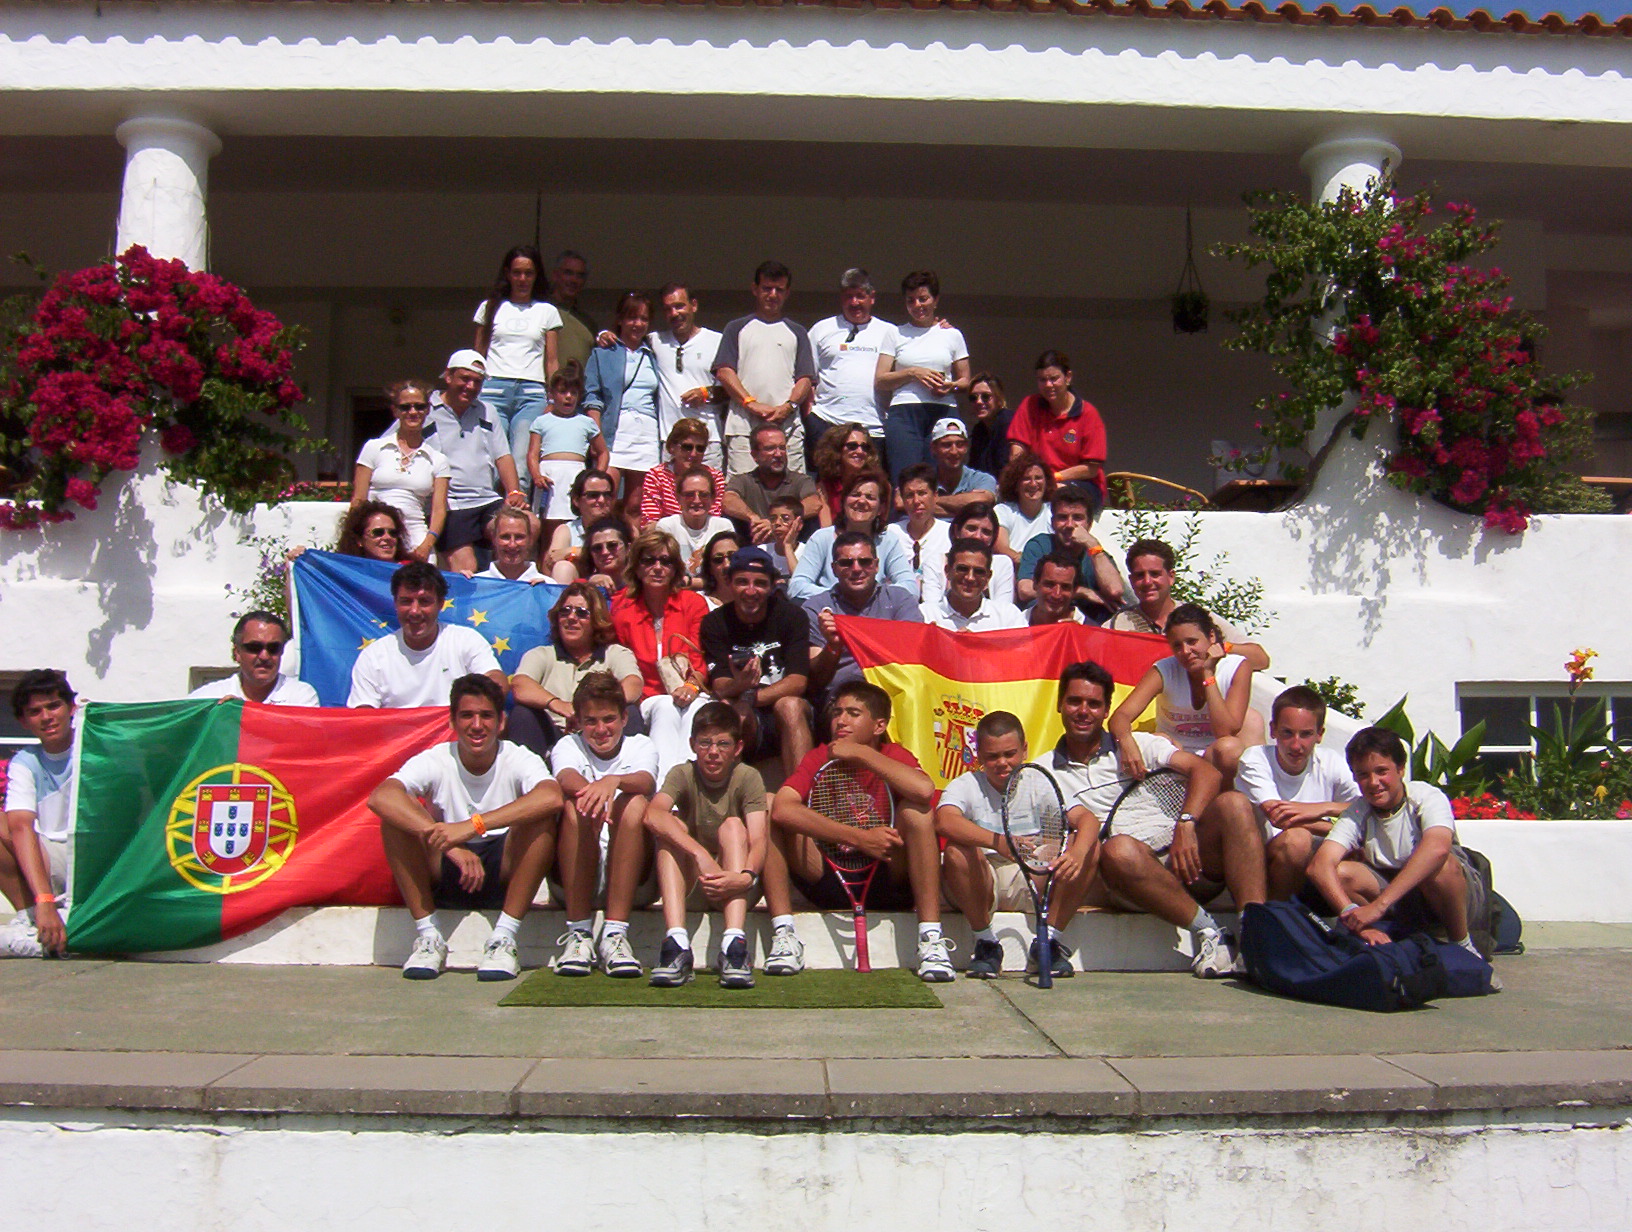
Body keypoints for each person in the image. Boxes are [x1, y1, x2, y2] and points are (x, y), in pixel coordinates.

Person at [1050, 660, 1266, 979]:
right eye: (1074, 701)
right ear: (1059, 704)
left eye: (1093, 704)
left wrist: (1186, 825)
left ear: (1107, 710)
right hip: (1132, 878)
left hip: (1187, 862)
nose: (1083, 711)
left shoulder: (1140, 744)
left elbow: (1206, 772)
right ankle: (1212, 932)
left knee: (1233, 803)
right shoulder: (1045, 772)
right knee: (1119, 849)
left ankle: (1256, 936)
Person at [369, 674, 563, 981]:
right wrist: (451, 846)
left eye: (486, 716)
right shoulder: (436, 758)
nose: (476, 725)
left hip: (503, 867)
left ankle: (504, 937)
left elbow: (551, 797)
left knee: (541, 818)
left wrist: (473, 826)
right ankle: (429, 937)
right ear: (452, 721)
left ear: (501, 722)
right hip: (445, 866)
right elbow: (381, 796)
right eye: (467, 716)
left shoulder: (517, 756)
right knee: (394, 821)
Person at [767, 682, 952, 982]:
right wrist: (860, 838)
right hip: (829, 874)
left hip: (887, 876)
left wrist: (861, 754)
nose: (841, 721)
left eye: (853, 714)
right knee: (767, 804)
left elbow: (923, 789)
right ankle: (784, 935)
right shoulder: (820, 756)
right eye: (837, 712)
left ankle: (931, 939)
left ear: (879, 725)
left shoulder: (894, 754)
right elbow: (782, 809)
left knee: (917, 813)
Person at [1307, 727, 1493, 963]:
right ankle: (1388, 939)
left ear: (1401, 769)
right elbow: (1320, 866)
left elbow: (1437, 848)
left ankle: (1462, 945)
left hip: (1455, 899)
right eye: (1363, 775)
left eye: (1381, 771)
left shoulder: (1426, 797)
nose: (1373, 783)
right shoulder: (1358, 811)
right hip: (1399, 901)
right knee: (1343, 873)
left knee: (1441, 866)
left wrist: (1379, 906)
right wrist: (1350, 913)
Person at [937, 711, 1099, 978]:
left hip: (1030, 877)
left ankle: (1048, 943)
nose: (1002, 763)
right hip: (983, 878)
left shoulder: (1040, 781)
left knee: (1088, 846)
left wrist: (1078, 854)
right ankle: (986, 944)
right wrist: (999, 842)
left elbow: (1087, 819)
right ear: (979, 755)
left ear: (1024, 750)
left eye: (1009, 754)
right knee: (956, 851)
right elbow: (944, 820)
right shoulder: (966, 784)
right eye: (992, 756)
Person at [643, 702, 771, 988]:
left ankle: (734, 945)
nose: (713, 752)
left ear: (737, 748)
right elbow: (652, 814)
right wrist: (700, 854)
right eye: (705, 743)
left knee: (733, 826)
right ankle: (676, 942)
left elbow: (759, 839)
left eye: (723, 744)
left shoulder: (748, 776)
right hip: (693, 882)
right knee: (671, 827)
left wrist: (746, 876)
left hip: (736, 884)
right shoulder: (682, 773)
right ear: (692, 744)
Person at [549, 672, 660, 978]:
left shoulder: (641, 745)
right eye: (591, 721)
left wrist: (613, 781)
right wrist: (595, 793)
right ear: (578, 722)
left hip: (633, 881)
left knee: (634, 804)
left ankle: (615, 934)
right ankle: (578, 933)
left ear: (624, 718)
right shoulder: (568, 745)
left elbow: (646, 780)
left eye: (609, 719)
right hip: (574, 878)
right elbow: (565, 777)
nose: (601, 730)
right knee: (577, 807)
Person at [1110, 603, 1259, 786]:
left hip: (1213, 757)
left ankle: (1221, 796)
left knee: (1230, 747)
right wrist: (1126, 741)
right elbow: (1121, 716)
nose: (1185, 652)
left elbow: (1225, 731)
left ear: (1211, 637)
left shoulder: (1237, 667)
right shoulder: (1164, 670)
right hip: (1175, 756)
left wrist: (1208, 675)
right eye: (1177, 646)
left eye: (1192, 642)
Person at [701, 547, 815, 780]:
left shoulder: (792, 616)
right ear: (729, 582)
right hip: (746, 714)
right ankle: (726, 792)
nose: (751, 591)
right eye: (742, 582)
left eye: (760, 583)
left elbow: (797, 682)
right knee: (732, 712)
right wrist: (740, 685)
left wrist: (751, 696)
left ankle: (802, 795)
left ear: (772, 585)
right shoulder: (715, 623)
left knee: (789, 705)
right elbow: (721, 686)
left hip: (787, 711)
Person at [1238, 686, 1361, 901]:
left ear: (1319, 734)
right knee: (1298, 839)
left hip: (1316, 866)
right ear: (1273, 730)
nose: (1296, 745)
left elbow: (1366, 810)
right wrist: (1339, 829)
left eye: (1305, 734)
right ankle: (1275, 913)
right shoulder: (1255, 759)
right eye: (1287, 733)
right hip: (1263, 864)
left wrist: (1324, 808)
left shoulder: (1331, 762)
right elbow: (1279, 817)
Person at [611, 528, 711, 777]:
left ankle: (688, 785)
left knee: (696, 711)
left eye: (665, 561)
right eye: (649, 561)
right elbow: (619, 662)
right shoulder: (622, 608)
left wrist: (690, 687)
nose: (657, 568)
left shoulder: (693, 604)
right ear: (637, 567)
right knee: (666, 707)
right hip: (647, 698)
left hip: (691, 691)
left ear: (675, 568)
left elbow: (698, 660)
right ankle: (665, 786)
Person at [348, 562, 506, 708]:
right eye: (406, 601)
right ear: (395, 603)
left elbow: (497, 681)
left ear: (440, 604)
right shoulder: (373, 656)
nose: (415, 611)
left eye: (424, 601)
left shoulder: (466, 640)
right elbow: (363, 715)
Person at [424, 350, 527, 574]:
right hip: (451, 505)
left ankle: (508, 585)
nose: (470, 386)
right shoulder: (424, 409)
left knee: (528, 524)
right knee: (467, 569)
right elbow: (395, 442)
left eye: (477, 382)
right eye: (465, 378)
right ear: (448, 376)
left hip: (487, 500)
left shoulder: (487, 411)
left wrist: (514, 492)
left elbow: (503, 455)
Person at [509, 584, 642, 756]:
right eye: (565, 611)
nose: (571, 618)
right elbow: (520, 685)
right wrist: (557, 704)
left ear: (597, 620)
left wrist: (586, 711)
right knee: (522, 714)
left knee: (630, 712)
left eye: (581, 613)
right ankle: (532, 772)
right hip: (554, 734)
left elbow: (634, 684)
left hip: (599, 732)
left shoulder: (615, 653)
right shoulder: (541, 654)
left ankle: (628, 769)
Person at [713, 260, 816, 477]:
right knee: (741, 488)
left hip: (787, 427)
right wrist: (751, 403)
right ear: (755, 289)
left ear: (787, 292)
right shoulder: (736, 328)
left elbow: (805, 378)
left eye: (779, 289)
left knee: (791, 489)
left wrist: (788, 406)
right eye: (767, 288)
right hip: (744, 426)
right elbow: (724, 371)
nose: (773, 295)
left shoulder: (797, 332)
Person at [1, 670, 77, 959]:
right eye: (35, 712)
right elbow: (20, 826)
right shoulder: (26, 761)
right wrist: (44, 901)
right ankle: (32, 916)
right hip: (50, 859)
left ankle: (53, 931)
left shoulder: (94, 746)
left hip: (95, 856)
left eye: (53, 706)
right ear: (23, 721)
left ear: (71, 708)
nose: (46, 717)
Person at [472, 244, 562, 488]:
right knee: (492, 464)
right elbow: (477, 355)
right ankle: (493, 512)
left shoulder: (547, 311)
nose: (522, 279)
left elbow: (552, 360)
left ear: (536, 275)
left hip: (531, 394)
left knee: (522, 466)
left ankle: (518, 511)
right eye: (517, 273)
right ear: (508, 274)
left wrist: (552, 398)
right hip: (492, 390)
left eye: (528, 273)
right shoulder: (489, 308)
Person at [1109, 539, 1271, 671]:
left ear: (1171, 577)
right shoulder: (1117, 624)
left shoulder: (1196, 617)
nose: (1147, 581)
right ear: (1131, 581)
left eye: (1155, 574)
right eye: (1140, 575)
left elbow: (1260, 659)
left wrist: (1217, 647)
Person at [801, 531, 924, 698]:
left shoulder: (900, 600)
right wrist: (832, 647)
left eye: (865, 562)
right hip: (837, 699)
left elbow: (914, 657)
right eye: (846, 563)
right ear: (834, 569)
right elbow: (815, 680)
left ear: (876, 565)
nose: (856, 569)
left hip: (893, 695)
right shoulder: (815, 608)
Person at [876, 271, 971, 479]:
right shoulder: (895, 333)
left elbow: (965, 382)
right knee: (905, 476)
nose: (917, 305)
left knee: (941, 476)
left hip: (943, 410)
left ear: (935, 300)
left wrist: (951, 386)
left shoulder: (952, 334)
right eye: (910, 300)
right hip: (905, 412)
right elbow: (881, 380)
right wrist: (912, 373)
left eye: (923, 299)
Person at [351, 378, 449, 562]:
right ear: (395, 411)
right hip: (378, 531)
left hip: (415, 533)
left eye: (419, 406)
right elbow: (358, 500)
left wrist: (426, 546)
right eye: (405, 407)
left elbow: (439, 510)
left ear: (428, 410)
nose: (413, 412)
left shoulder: (438, 459)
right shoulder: (373, 447)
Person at [584, 291, 662, 520]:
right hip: (614, 431)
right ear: (620, 319)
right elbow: (592, 396)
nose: (638, 324)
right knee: (605, 498)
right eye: (632, 317)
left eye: (644, 319)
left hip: (645, 433)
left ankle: (632, 543)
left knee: (636, 505)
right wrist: (596, 436)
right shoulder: (602, 352)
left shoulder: (652, 352)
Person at [1006, 350, 1108, 517]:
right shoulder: (1029, 405)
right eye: (1042, 380)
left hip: (1081, 484)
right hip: (1038, 481)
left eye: (1054, 379)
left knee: (1060, 494)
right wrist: (1023, 474)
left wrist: (1053, 478)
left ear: (1068, 377)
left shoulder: (1088, 414)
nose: (1048, 385)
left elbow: (1091, 469)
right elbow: (1017, 450)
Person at [807, 268, 896, 459]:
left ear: (872, 298)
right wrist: (810, 415)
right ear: (842, 298)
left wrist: (940, 327)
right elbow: (807, 377)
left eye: (860, 296)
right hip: (827, 424)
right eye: (849, 296)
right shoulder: (821, 329)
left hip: (873, 427)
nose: (854, 302)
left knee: (870, 479)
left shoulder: (890, 332)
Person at [787, 471, 916, 601]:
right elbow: (797, 586)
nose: (861, 501)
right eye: (855, 495)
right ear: (844, 502)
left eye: (870, 497)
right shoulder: (822, 538)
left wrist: (872, 599)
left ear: (880, 509)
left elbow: (910, 587)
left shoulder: (888, 540)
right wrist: (841, 597)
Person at [648, 281, 726, 470]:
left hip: (707, 443)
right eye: (668, 309)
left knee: (706, 489)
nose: (674, 313)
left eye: (679, 306)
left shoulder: (717, 341)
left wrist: (705, 393)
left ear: (694, 305)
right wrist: (604, 335)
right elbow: (627, 338)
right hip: (671, 442)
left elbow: (732, 390)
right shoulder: (654, 341)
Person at [1015, 485, 1125, 617]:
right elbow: (1025, 590)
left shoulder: (1097, 554)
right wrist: (1081, 592)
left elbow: (1115, 591)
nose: (1069, 525)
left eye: (1077, 518)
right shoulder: (1040, 546)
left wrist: (1093, 544)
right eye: (1063, 517)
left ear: (1089, 524)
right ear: (1053, 522)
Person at [527, 361, 607, 527]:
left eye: (573, 392)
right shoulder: (541, 421)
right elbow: (532, 454)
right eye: (563, 392)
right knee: (548, 523)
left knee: (576, 522)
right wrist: (536, 476)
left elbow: (603, 453)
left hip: (576, 475)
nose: (569, 396)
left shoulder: (586, 422)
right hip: (549, 477)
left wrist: (595, 477)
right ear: (552, 394)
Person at [189, 611, 320, 705]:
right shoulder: (207, 699)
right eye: (254, 647)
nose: (264, 656)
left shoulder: (301, 697)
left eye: (273, 648)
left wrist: (243, 713)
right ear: (237, 653)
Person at [721, 423, 821, 543]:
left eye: (782, 448)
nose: (778, 454)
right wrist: (752, 517)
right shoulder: (742, 481)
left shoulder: (801, 480)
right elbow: (728, 501)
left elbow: (814, 504)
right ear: (754, 455)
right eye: (770, 448)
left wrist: (776, 522)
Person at [920, 501, 1016, 608]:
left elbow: (1003, 609)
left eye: (986, 532)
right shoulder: (935, 562)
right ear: (957, 531)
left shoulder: (1002, 564)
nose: (978, 536)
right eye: (971, 528)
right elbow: (931, 608)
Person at [920, 540, 1026, 632]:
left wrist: (976, 644)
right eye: (962, 569)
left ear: (988, 577)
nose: (970, 578)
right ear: (947, 571)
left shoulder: (1008, 617)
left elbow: (1022, 649)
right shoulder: (925, 616)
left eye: (979, 572)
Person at [639, 418, 727, 528]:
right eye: (687, 447)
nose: (694, 454)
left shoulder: (715, 477)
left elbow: (713, 519)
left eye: (700, 448)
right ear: (672, 447)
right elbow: (650, 523)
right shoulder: (656, 476)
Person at [657, 467, 736, 589]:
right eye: (689, 495)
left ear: (713, 498)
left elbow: (728, 575)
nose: (697, 500)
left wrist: (689, 583)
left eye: (704, 495)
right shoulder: (667, 527)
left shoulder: (723, 527)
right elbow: (664, 573)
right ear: (678, 497)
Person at [543, 470, 618, 582]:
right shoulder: (567, 530)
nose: (602, 500)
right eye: (593, 495)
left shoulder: (625, 528)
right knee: (563, 568)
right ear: (576, 500)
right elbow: (552, 560)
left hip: (617, 585)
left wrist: (572, 552)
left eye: (607, 495)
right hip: (581, 587)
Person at [886, 463, 947, 599]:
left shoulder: (949, 535)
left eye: (922, 493)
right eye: (909, 495)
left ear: (935, 496)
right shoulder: (890, 534)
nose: (916, 501)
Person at [811, 421, 884, 526]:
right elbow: (826, 527)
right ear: (837, 449)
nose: (860, 451)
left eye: (865, 447)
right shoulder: (824, 487)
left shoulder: (879, 484)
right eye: (852, 446)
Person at [926, 416, 996, 518]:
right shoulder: (923, 480)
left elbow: (983, 500)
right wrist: (966, 509)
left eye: (960, 444)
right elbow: (903, 502)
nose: (954, 452)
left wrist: (928, 501)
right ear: (933, 448)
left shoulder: (982, 479)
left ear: (966, 447)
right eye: (947, 445)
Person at [995, 451, 1055, 565]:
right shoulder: (1003, 511)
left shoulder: (1053, 511)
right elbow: (1000, 548)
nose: (1033, 484)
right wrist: (1025, 561)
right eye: (1026, 479)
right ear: (1016, 484)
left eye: (1038, 478)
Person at [547, 249, 597, 372]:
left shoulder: (588, 323)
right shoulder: (541, 312)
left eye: (580, 275)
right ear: (555, 275)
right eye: (568, 273)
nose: (574, 280)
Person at [475, 506, 548, 583]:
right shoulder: (476, 583)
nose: (512, 545)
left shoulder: (548, 584)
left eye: (519, 537)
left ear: (530, 540)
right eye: (505, 537)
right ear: (494, 539)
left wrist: (544, 589)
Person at [966, 372, 1014, 479]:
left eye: (986, 396)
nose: (979, 402)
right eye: (973, 397)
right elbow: (974, 468)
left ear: (998, 398)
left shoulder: (1007, 422)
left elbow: (1005, 467)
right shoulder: (979, 429)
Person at [333, 501, 414, 564]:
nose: (388, 537)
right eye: (378, 532)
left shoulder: (412, 571)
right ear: (359, 540)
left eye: (393, 533)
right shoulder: (349, 572)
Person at [575, 516, 633, 596]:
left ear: (628, 548)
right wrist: (589, 588)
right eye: (597, 548)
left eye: (612, 545)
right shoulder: (579, 588)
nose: (605, 552)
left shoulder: (642, 586)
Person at [1027, 553, 1087, 626]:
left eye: (1065, 587)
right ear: (1035, 584)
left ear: (1074, 590)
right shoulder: (1016, 624)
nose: (1056, 595)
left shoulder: (1090, 630)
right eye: (1050, 584)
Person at [699, 528, 745, 609]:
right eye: (718, 559)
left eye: (732, 556)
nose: (726, 565)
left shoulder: (756, 601)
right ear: (710, 568)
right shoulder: (699, 602)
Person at [764, 495, 803, 578]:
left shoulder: (808, 552)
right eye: (773, 519)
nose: (777, 523)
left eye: (785, 519)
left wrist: (788, 545)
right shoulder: (762, 552)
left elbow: (800, 582)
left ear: (799, 524)